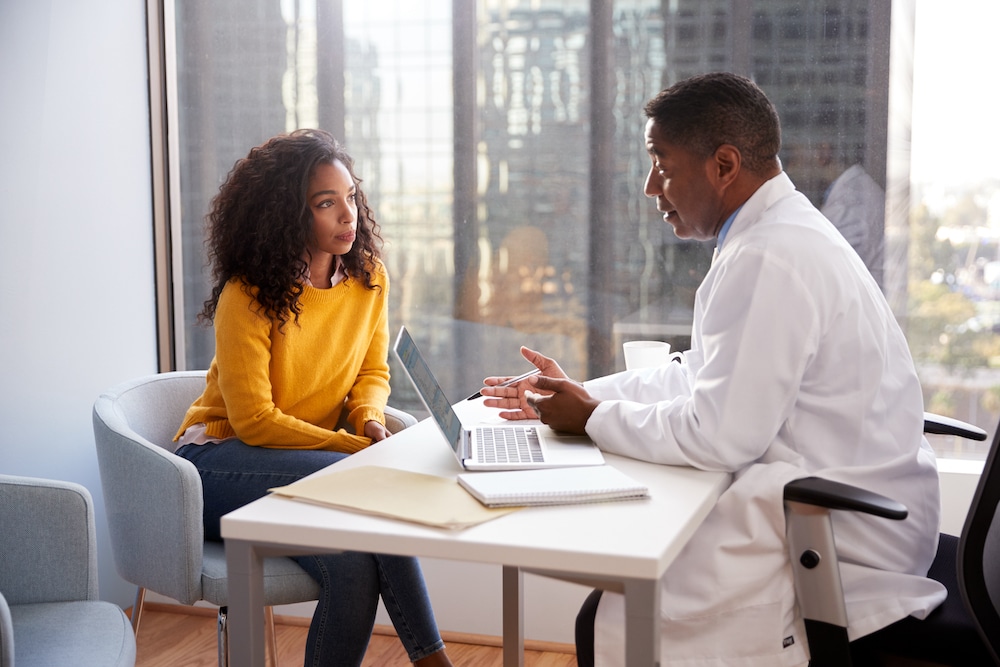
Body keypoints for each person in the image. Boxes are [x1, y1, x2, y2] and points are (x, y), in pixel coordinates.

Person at [480, 72, 943, 667]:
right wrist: (576, 393)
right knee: (622, 587)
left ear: (724, 164)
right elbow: (699, 373)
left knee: (616, 615)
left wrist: (591, 418)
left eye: (662, 164)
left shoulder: (769, 255)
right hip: (854, 502)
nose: (651, 187)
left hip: (840, 534)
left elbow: (722, 435)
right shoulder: (776, 234)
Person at [173, 129, 454, 667]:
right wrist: (352, 451)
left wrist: (368, 418)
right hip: (215, 468)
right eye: (327, 203)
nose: (348, 215)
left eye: (351, 197)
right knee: (373, 486)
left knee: (351, 566)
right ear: (288, 215)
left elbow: (372, 370)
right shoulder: (247, 295)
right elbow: (254, 422)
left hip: (311, 466)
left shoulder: (368, 278)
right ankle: (434, 662)